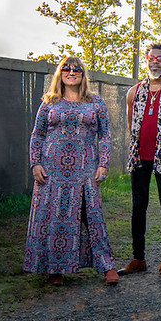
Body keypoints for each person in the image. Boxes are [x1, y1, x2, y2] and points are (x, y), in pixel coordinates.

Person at [25, 56, 118, 286]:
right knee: (54, 216)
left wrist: (104, 163)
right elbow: (37, 134)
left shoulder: (95, 102)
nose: (71, 72)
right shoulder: (49, 101)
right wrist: (35, 163)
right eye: (66, 68)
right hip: (52, 170)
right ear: (60, 74)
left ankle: (107, 266)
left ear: (83, 75)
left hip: (85, 169)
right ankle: (55, 268)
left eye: (77, 69)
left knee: (93, 216)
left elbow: (105, 135)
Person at [119, 43, 161, 279]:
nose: (155, 61)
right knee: (138, 206)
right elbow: (131, 126)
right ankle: (138, 258)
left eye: (160, 58)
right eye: (151, 58)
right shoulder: (134, 92)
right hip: (139, 158)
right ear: (147, 60)